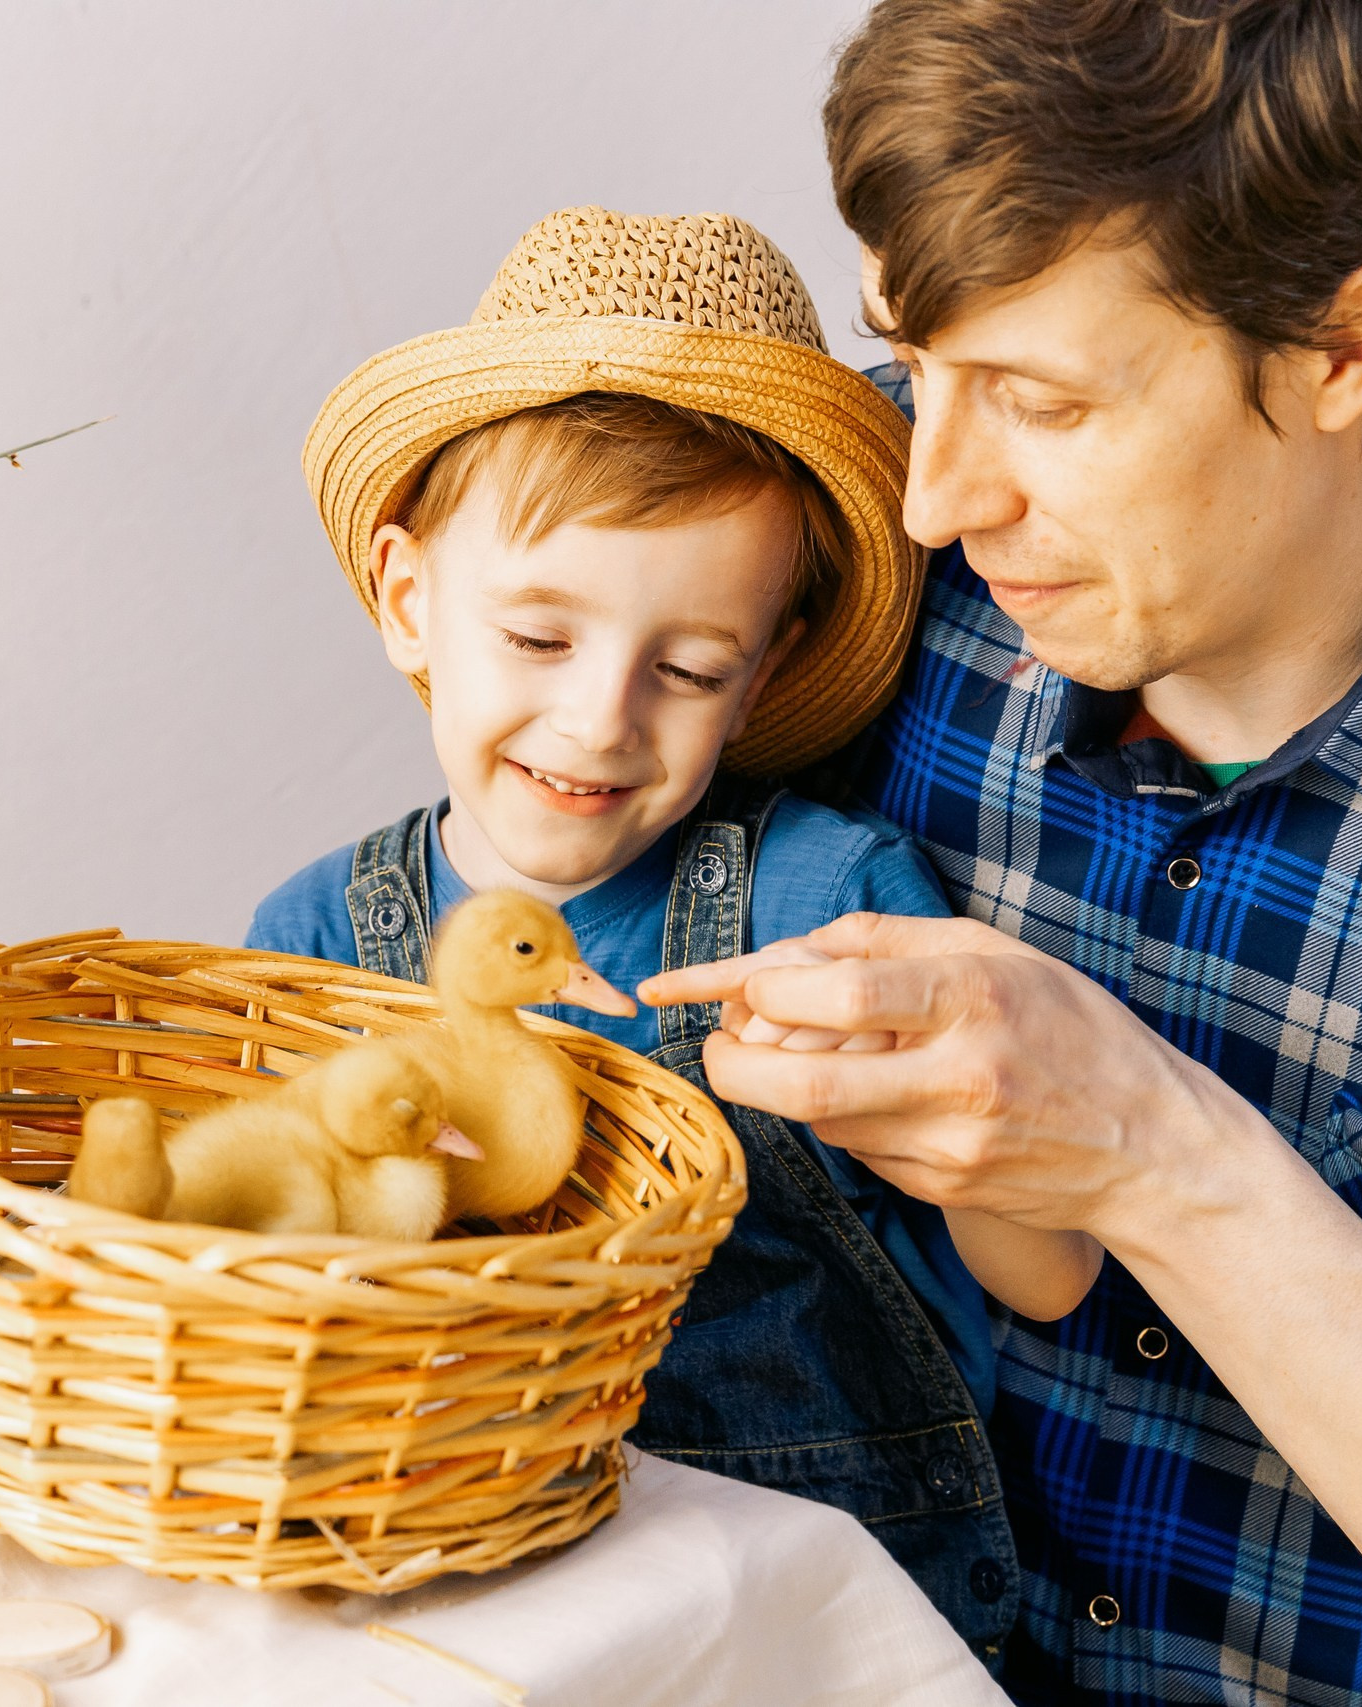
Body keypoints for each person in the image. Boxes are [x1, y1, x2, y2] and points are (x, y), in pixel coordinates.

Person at [640, 2, 1362, 1701]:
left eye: (1042, 402)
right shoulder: (853, 546)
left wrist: (1155, 1153)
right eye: (915, 364)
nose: (932, 496)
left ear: (1346, 341)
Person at [251, 205, 1096, 1642]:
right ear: (409, 599)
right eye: (538, 638)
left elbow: (1052, 1277)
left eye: (691, 668)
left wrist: (960, 1115)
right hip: (474, 1591)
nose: (600, 718)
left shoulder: (825, 902)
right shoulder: (318, 932)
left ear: (761, 684)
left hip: (816, 1612)